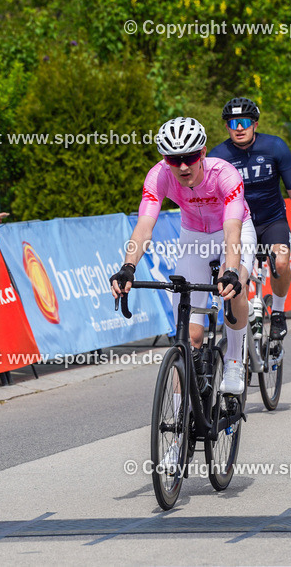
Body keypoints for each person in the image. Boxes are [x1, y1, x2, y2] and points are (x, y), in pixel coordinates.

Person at [110, 117, 256, 395]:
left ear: (203, 153)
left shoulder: (224, 174)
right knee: (189, 337)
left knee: (234, 286)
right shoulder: (158, 176)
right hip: (194, 236)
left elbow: (232, 231)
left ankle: (235, 361)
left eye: (190, 157)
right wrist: (128, 267)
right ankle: (179, 414)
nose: (183, 166)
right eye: (174, 160)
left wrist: (230, 271)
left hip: (234, 230)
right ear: (165, 160)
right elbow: (144, 226)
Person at [207, 97, 291, 342]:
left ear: (255, 124)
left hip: (272, 220)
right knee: (236, 278)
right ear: (227, 127)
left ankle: (278, 312)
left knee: (280, 263)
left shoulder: (275, 147)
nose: (239, 128)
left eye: (245, 122)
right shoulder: (218, 156)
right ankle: (241, 337)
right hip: (240, 225)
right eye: (233, 123)